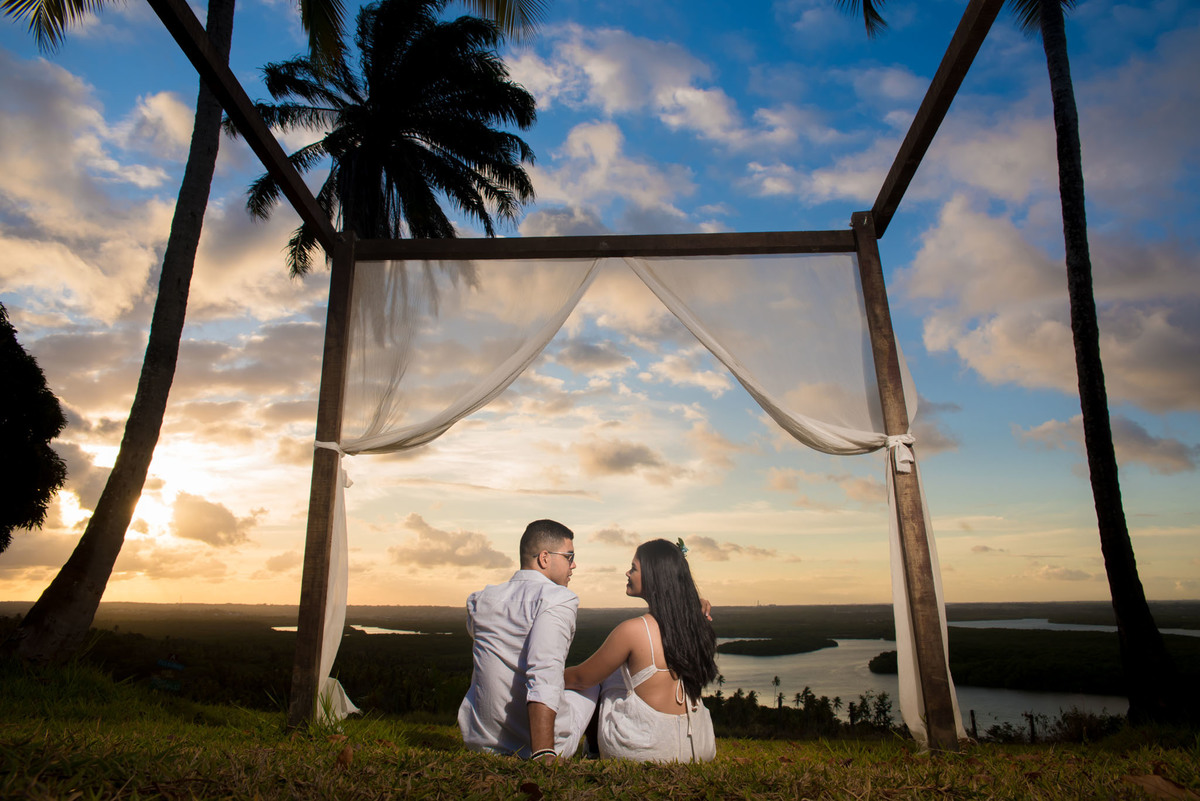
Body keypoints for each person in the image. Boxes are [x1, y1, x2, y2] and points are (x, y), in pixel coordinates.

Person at [564, 538, 718, 762]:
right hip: (699, 746)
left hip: (645, 750)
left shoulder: (634, 630)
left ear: (655, 577)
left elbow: (580, 679)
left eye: (634, 568)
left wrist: (545, 676)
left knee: (604, 677)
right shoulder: (696, 623)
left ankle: (594, 750)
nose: (627, 573)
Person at [457, 519, 599, 761]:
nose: (573, 564)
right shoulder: (558, 599)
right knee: (596, 681)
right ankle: (594, 752)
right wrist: (543, 751)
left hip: (483, 742)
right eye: (569, 556)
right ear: (545, 558)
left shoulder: (481, 600)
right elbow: (544, 669)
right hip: (540, 745)